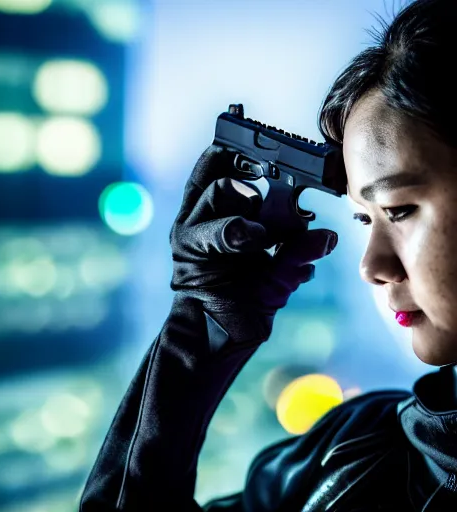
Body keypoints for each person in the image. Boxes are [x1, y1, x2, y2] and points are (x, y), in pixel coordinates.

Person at [79, 0, 457, 509]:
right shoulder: (343, 460)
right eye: (364, 219)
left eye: (400, 208)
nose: (372, 267)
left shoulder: (347, 465)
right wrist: (198, 335)